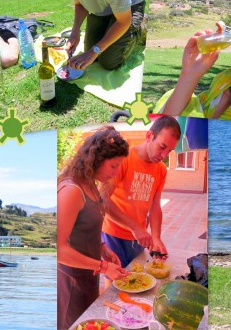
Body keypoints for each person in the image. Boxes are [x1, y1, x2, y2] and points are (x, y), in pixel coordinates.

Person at [57, 126, 130, 330]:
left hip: (89, 273)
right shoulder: (71, 190)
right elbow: (59, 249)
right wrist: (104, 267)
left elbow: (84, 227)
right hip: (72, 281)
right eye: (113, 166)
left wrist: (102, 248)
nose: (115, 173)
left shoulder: (90, 183)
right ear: (96, 160)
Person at [101, 115, 181, 267]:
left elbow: (155, 206)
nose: (164, 155)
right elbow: (102, 199)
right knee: (115, 283)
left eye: (170, 151)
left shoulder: (161, 170)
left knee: (135, 279)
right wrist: (135, 228)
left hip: (138, 237)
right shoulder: (123, 159)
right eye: (162, 147)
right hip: (113, 234)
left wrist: (156, 237)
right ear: (149, 136)